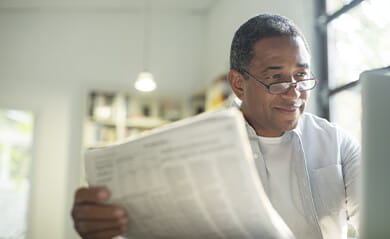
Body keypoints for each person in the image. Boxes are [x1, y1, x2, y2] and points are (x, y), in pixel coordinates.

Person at [71, 13, 360, 239]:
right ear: (238, 84)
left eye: (301, 75)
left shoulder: (337, 143)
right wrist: (105, 228)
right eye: (276, 78)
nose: (294, 91)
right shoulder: (190, 148)